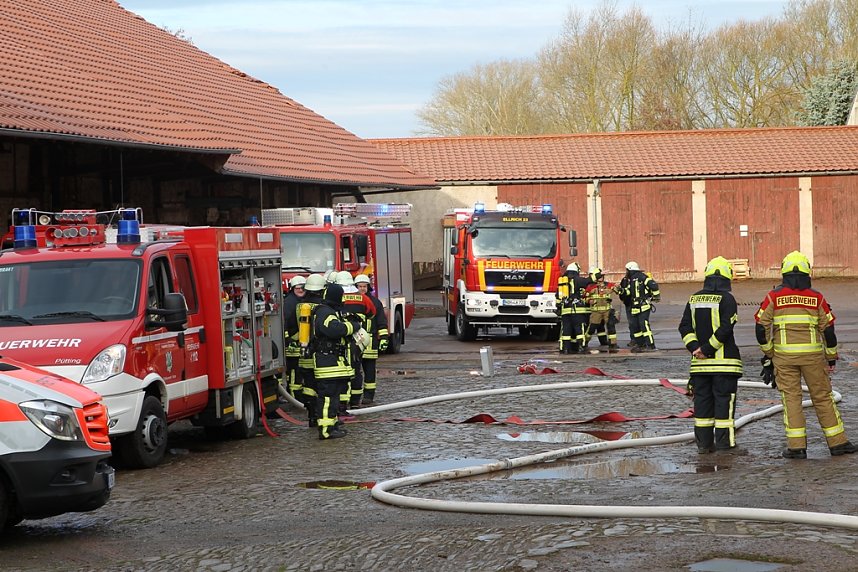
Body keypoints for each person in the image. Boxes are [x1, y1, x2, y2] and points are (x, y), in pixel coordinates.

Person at [755, 251, 857, 459]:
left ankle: (796, 448)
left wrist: (769, 353)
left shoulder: (773, 296)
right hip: (813, 358)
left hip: (783, 358)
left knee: (791, 400)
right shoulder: (816, 297)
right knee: (823, 398)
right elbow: (828, 330)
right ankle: (838, 443)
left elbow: (760, 327)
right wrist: (830, 357)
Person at [678, 257, 743, 454]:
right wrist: (707, 349)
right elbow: (725, 329)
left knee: (703, 407)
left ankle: (704, 446)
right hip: (724, 365)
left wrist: (695, 348)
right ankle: (725, 445)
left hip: (699, 367)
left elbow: (684, 327)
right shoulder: (727, 299)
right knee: (724, 406)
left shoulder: (694, 298)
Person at [311, 283, 360, 440]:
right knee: (327, 396)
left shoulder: (330, 311)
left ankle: (332, 424)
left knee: (333, 396)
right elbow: (334, 330)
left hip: (333, 361)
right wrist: (353, 327)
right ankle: (326, 430)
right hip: (327, 362)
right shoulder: (325, 313)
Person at [337, 271, 375, 408]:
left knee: (341, 371)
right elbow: (372, 312)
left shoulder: (336, 298)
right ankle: (355, 401)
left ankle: (342, 401)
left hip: (340, 340)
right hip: (358, 340)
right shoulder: (362, 298)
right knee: (356, 368)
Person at [295, 273, 326, 427]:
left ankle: (311, 415)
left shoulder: (300, 306)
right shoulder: (323, 308)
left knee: (308, 386)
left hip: (303, 353)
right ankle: (322, 416)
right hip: (319, 353)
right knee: (322, 386)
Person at [354, 274, 389, 404]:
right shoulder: (352, 301)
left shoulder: (375, 302)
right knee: (355, 370)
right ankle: (355, 396)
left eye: (364, 286)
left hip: (370, 341)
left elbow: (381, 321)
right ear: (355, 287)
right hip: (356, 341)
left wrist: (384, 337)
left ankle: (369, 396)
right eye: (360, 286)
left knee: (369, 371)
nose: (362, 289)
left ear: (368, 287)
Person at [622, 261, 660, 352]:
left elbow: (654, 285)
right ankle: (640, 345)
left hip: (643, 306)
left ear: (630, 270)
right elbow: (628, 292)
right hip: (634, 307)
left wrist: (656, 297)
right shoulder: (630, 279)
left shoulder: (642, 277)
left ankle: (651, 346)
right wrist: (621, 291)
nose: (626, 272)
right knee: (635, 326)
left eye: (627, 270)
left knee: (644, 325)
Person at [556, 262, 591, 354]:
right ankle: (581, 347)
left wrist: (559, 309)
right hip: (577, 311)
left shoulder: (562, 282)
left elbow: (558, 297)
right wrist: (596, 275)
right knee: (579, 330)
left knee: (566, 331)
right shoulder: (578, 280)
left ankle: (565, 349)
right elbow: (589, 281)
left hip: (565, 311)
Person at [282, 275, 306, 402]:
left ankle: (297, 393)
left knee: (299, 370)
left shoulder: (301, 300)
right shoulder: (290, 303)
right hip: (292, 343)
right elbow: (284, 322)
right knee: (293, 371)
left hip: (301, 342)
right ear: (292, 289)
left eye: (303, 288)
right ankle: (293, 395)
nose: (301, 290)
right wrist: (288, 340)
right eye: (298, 288)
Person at [583, 267, 618, 353]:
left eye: (602, 276)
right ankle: (585, 342)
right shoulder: (591, 287)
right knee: (592, 327)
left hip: (607, 310)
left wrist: (619, 287)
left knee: (611, 326)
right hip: (596, 311)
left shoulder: (609, 285)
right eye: (599, 276)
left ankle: (613, 343)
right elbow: (584, 297)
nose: (601, 278)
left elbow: (618, 290)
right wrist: (588, 300)